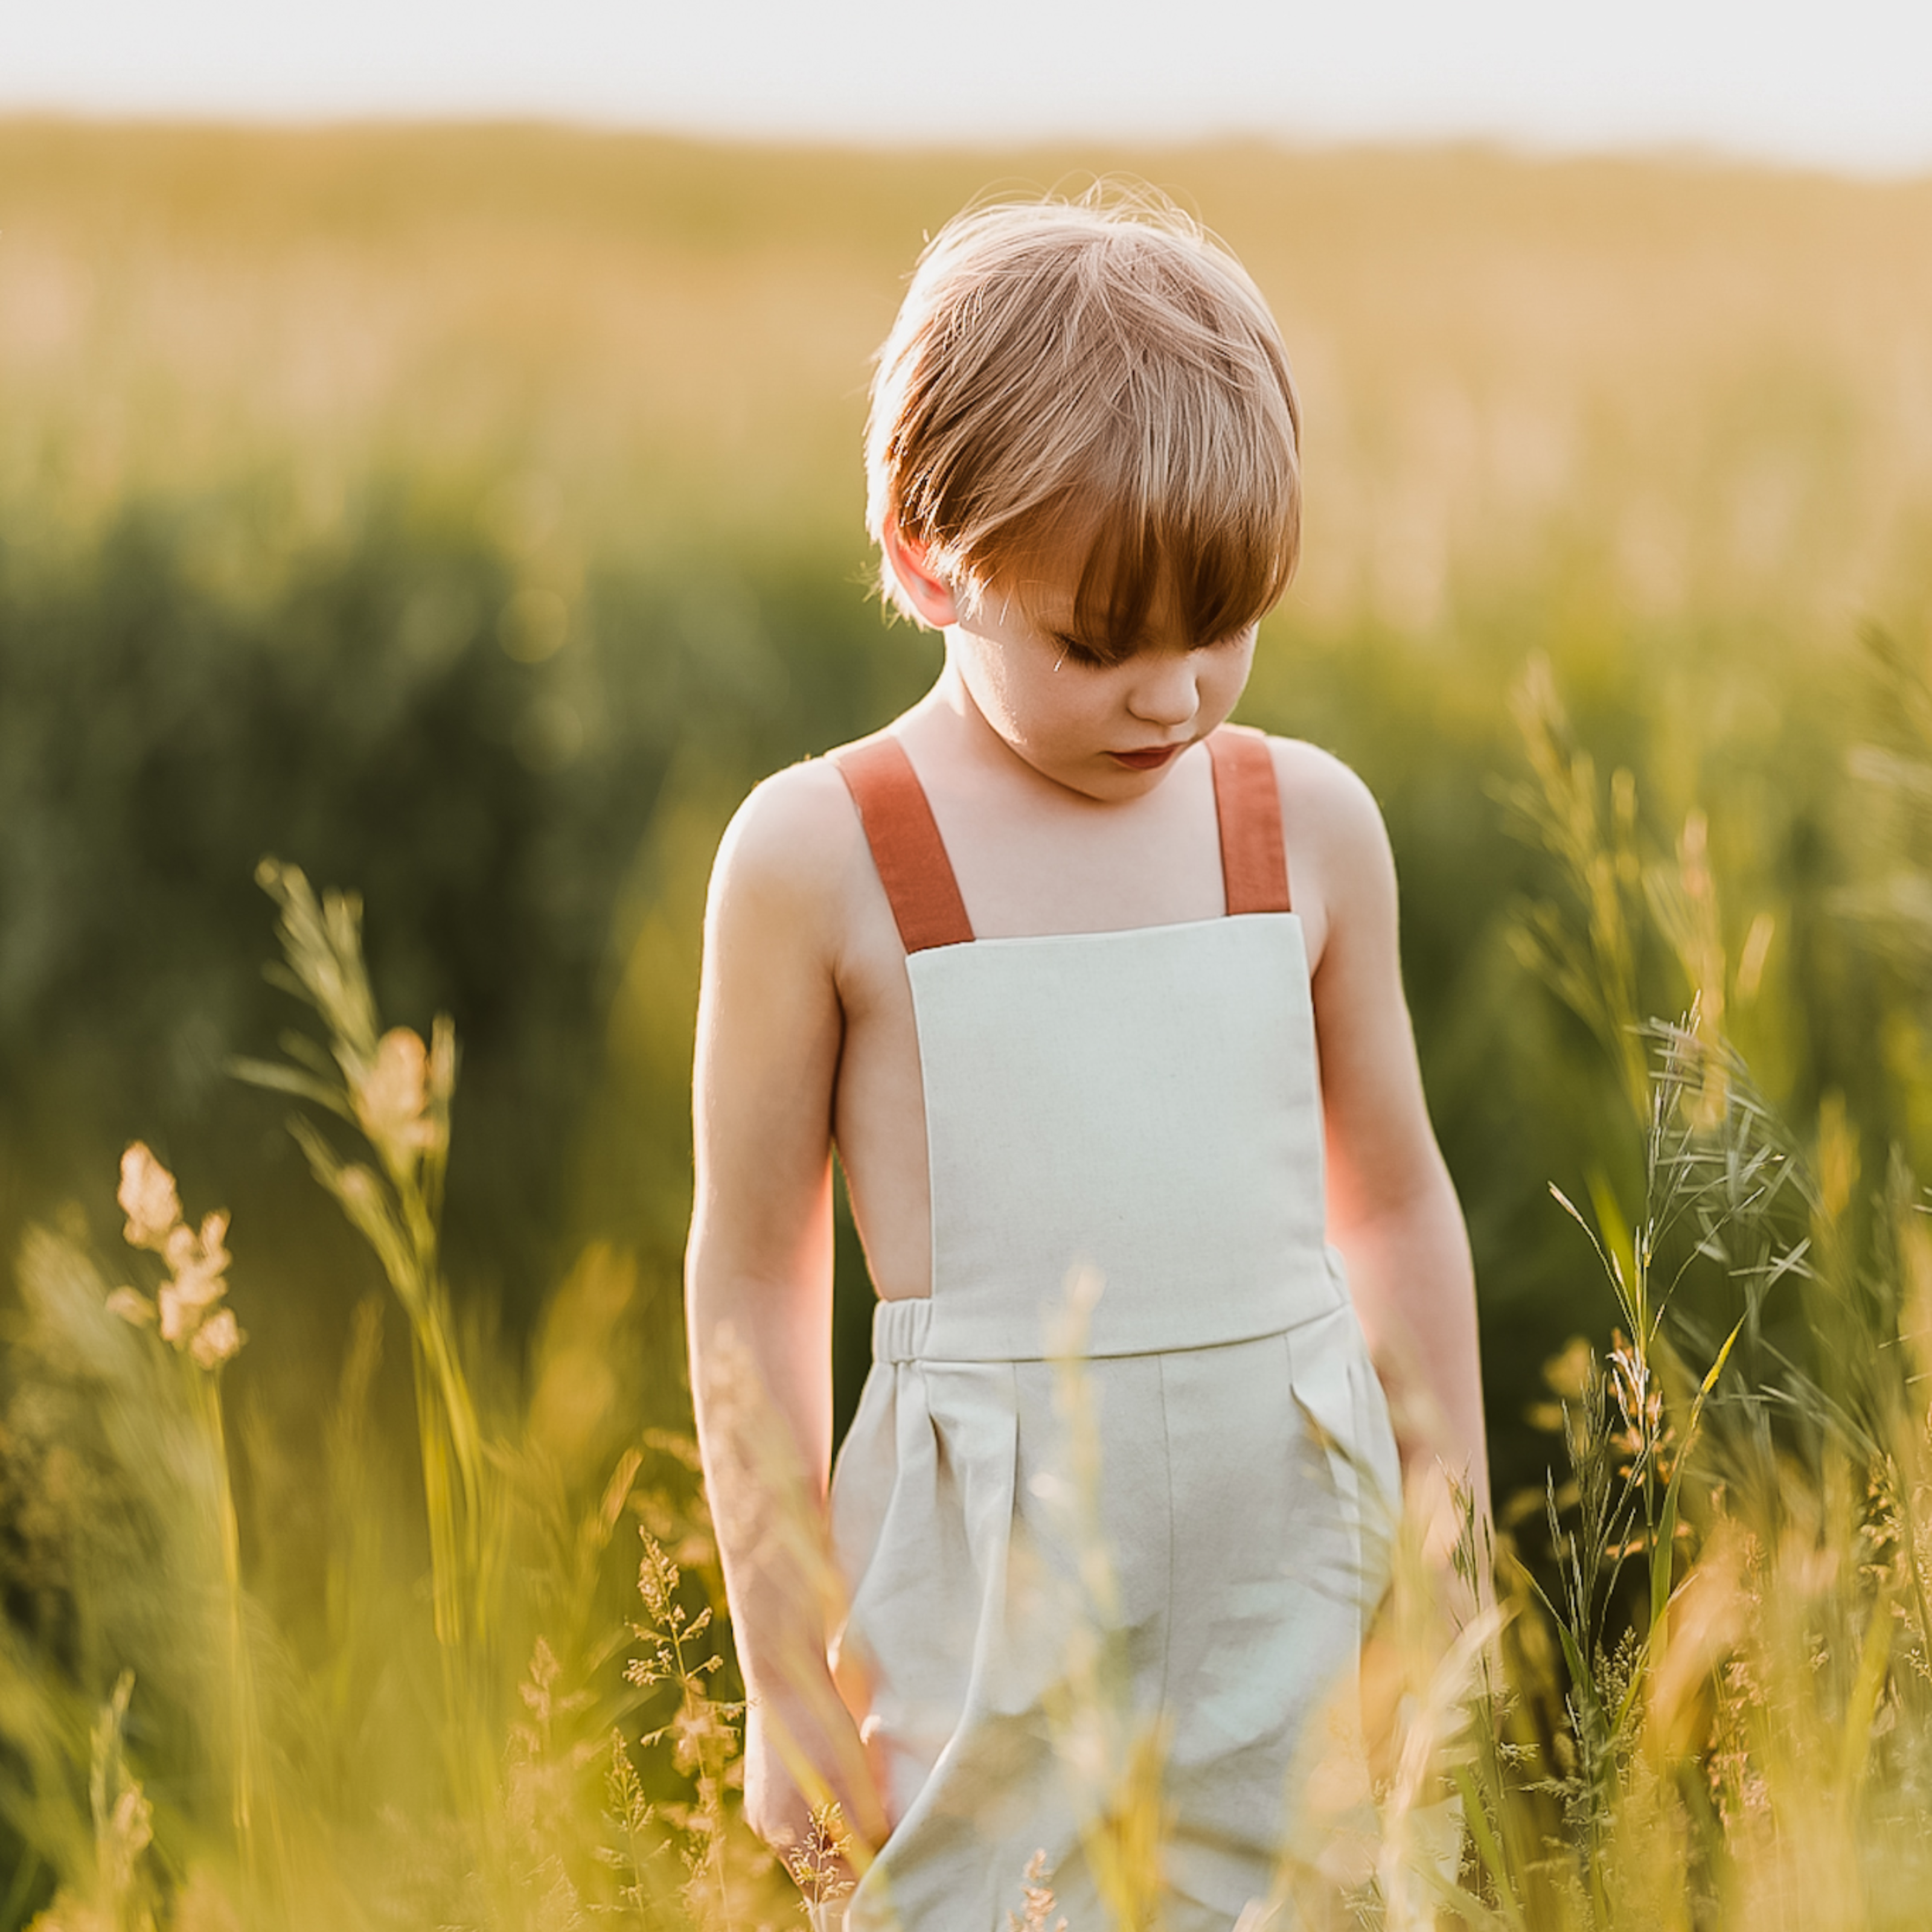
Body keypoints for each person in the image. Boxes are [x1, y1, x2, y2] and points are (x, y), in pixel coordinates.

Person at [685, 187, 1488, 1930]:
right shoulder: (823, 856)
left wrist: (1450, 1530)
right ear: (923, 553)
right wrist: (779, 1667)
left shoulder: (1307, 832)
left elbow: (1398, 1199)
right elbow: (754, 1265)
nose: (1174, 698)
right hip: (985, 1605)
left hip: (1293, 1568)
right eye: (1098, 641)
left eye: (1222, 624)